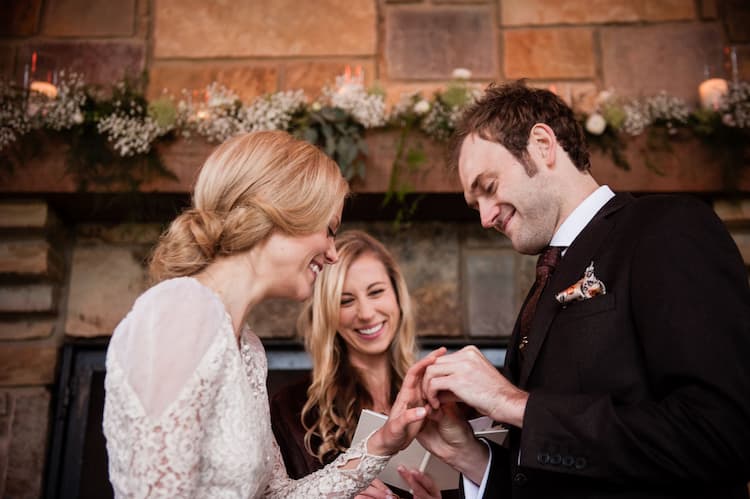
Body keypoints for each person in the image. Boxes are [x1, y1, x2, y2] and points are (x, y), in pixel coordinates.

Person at [416, 81, 750, 498]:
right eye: (474, 203)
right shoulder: (542, 288)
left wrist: (511, 402)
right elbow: (548, 478)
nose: (484, 217)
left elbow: (721, 435)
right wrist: (467, 455)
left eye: (489, 186)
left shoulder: (667, 229)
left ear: (542, 144)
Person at [102, 130, 442, 498]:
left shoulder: (247, 348)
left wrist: (383, 443)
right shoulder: (182, 311)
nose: (332, 253)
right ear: (279, 210)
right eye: (329, 230)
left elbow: (275, 495)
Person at [271, 230, 442, 499]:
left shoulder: (438, 399)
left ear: (397, 297)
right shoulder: (291, 410)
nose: (365, 313)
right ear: (327, 312)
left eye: (376, 292)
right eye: (346, 300)